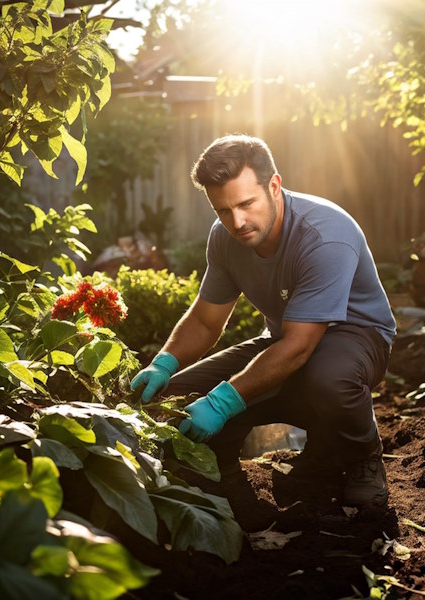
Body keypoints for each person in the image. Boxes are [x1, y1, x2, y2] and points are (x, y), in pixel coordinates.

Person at [130, 134, 396, 508]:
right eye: (223, 210)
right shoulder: (225, 238)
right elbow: (206, 322)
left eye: (246, 204)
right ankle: (228, 485)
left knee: (327, 378)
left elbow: (299, 347)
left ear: (274, 186)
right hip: (287, 338)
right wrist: (164, 362)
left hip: (356, 339)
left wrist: (223, 402)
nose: (237, 222)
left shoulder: (324, 236)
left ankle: (361, 454)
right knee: (176, 397)